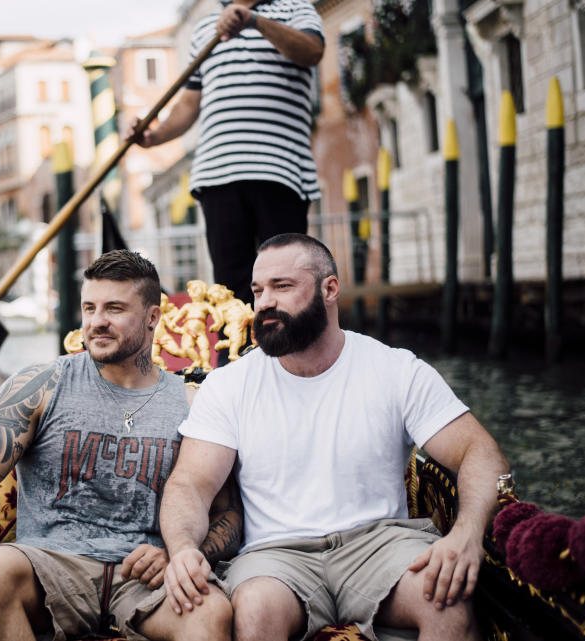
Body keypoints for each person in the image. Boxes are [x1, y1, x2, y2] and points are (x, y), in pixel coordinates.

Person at [159, 233, 510, 641]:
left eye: (282, 286)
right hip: (276, 557)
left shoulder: (395, 370)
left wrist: (467, 535)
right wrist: (183, 547)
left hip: (380, 544)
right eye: (258, 291)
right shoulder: (229, 385)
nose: (265, 303)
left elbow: (480, 452)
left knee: (447, 602)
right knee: (254, 613)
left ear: (330, 289)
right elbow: (191, 484)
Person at [0, 250, 238, 641]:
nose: (97, 322)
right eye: (89, 308)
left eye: (114, 308)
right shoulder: (41, 386)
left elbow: (229, 515)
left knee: (209, 612)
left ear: (152, 317)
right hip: (50, 566)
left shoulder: (192, 403)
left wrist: (181, 555)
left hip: (146, 574)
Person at [131, 0, 325, 304]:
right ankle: (239, 350)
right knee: (231, 286)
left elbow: (312, 51)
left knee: (285, 277)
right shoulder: (205, 29)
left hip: (280, 169)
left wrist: (255, 22)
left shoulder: (296, 10)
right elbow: (188, 104)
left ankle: (288, 348)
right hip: (217, 172)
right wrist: (154, 137)